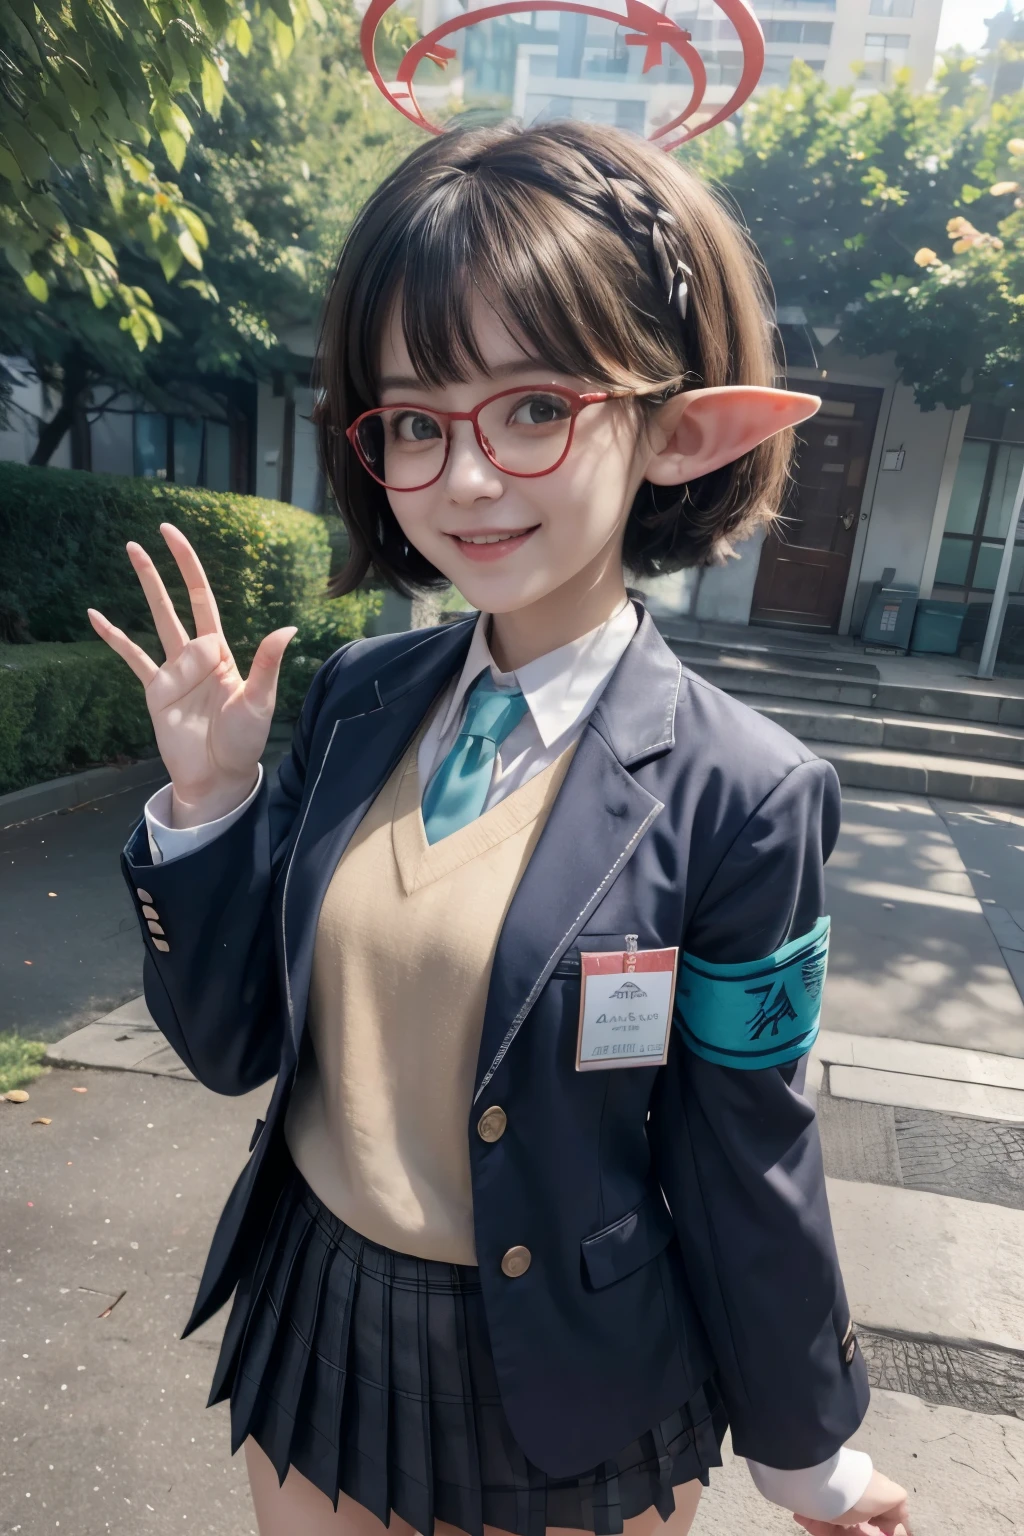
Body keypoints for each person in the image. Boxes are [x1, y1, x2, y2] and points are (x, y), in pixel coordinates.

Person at [88, 120, 911, 1536]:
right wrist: (212, 807)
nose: (464, 478)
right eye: (415, 419)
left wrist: (811, 1456)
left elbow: (744, 1149)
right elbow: (232, 1045)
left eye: (534, 406)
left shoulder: (743, 793)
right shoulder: (357, 696)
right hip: (316, 1320)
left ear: (675, 427)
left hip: (577, 1382)